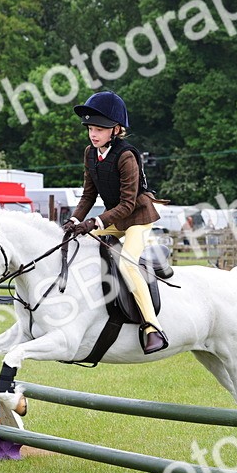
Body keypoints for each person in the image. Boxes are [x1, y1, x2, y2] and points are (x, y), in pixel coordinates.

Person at [63, 90, 168, 354]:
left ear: (116, 129)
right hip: (116, 217)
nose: (93, 134)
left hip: (137, 218)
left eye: (100, 128)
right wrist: (75, 220)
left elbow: (128, 205)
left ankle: (152, 327)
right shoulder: (90, 153)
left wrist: (95, 221)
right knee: (81, 243)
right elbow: (89, 194)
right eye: (90, 128)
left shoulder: (126, 156)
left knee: (128, 263)